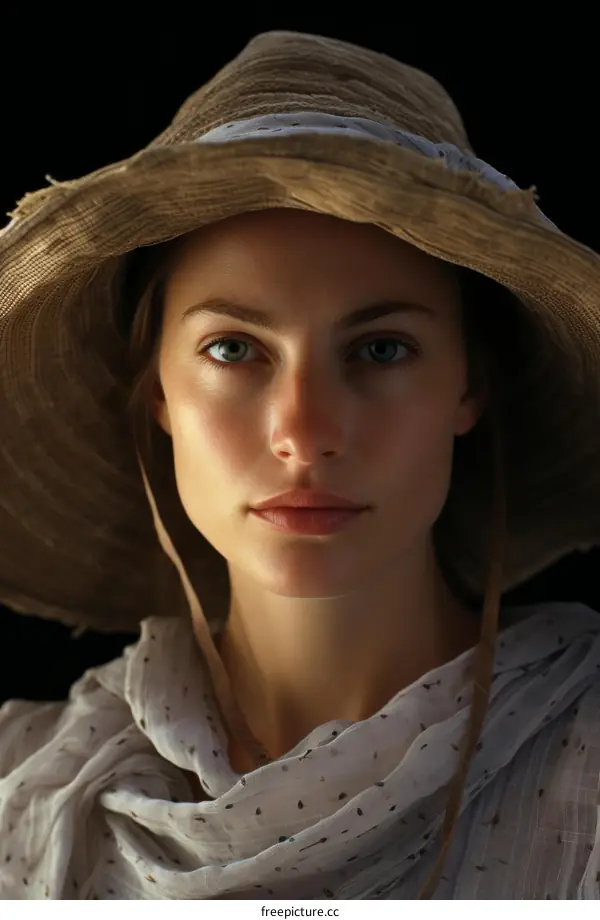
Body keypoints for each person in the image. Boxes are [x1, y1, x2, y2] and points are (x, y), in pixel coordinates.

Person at [0, 30, 600, 901]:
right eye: (235, 347)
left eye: (382, 349)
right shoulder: (24, 789)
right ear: (158, 393)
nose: (305, 432)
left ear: (471, 387)